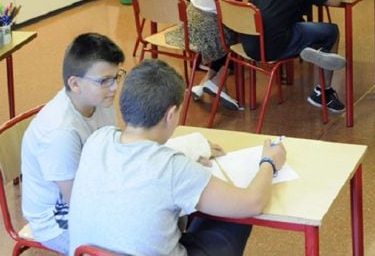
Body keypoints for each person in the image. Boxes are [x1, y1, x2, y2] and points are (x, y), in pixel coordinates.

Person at [68, 60, 286, 256]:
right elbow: (252, 203)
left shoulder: (98, 140)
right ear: (171, 115)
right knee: (236, 218)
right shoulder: (173, 168)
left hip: (89, 253)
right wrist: (269, 163)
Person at [21, 33, 126, 254]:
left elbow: (117, 150)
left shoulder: (99, 100)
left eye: (117, 77)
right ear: (75, 84)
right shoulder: (60, 133)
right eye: (105, 80)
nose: (115, 87)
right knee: (135, 241)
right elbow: (78, 203)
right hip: (57, 219)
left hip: (93, 188)